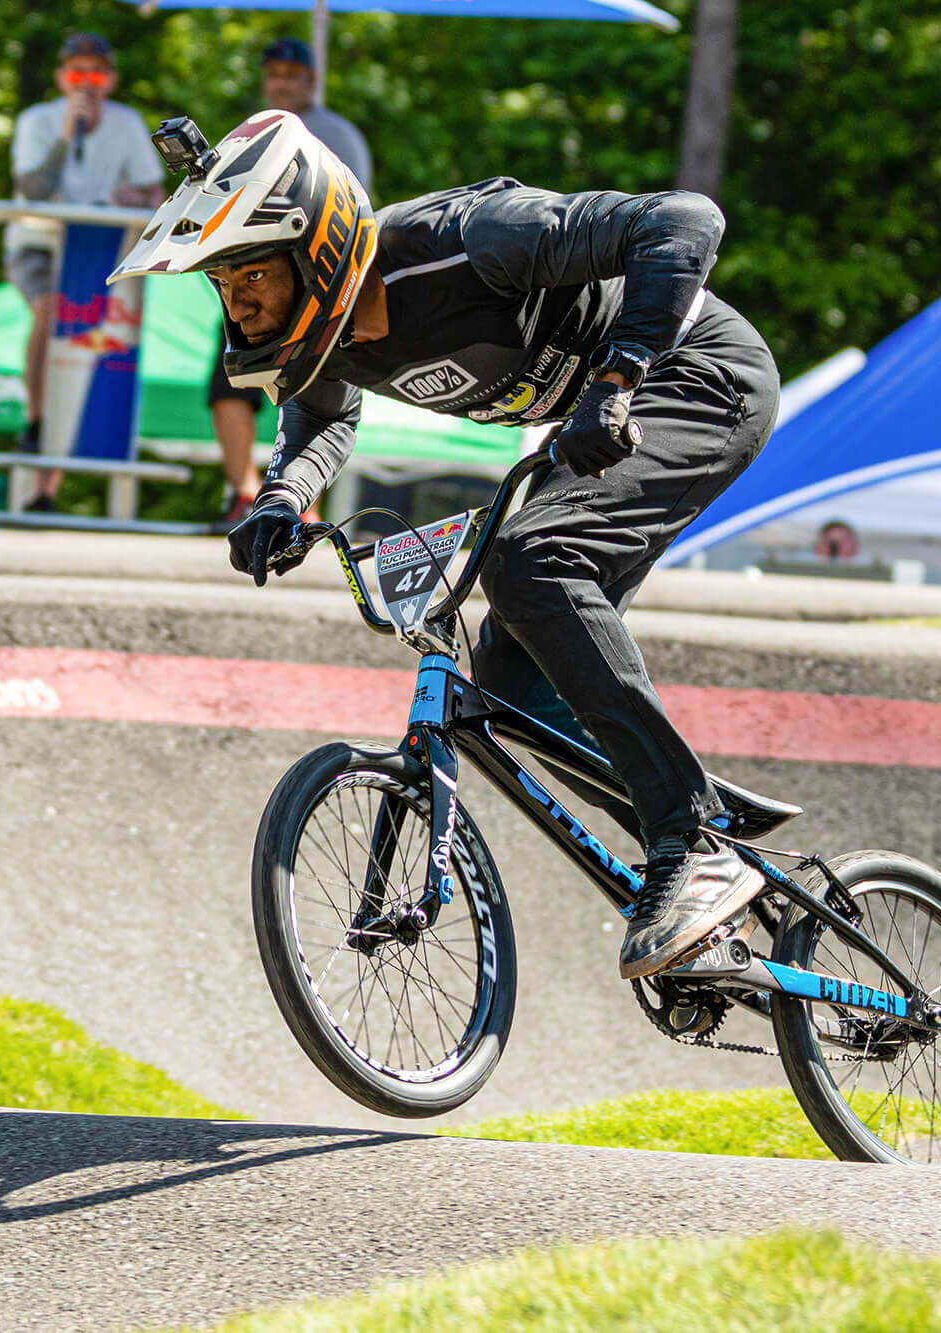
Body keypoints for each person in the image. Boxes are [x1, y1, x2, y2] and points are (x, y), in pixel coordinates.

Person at [111, 113, 780, 981]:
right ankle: (712, 873)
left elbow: (685, 221)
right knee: (509, 696)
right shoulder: (330, 341)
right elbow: (320, 418)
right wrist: (282, 496)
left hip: (698, 378)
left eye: (249, 275)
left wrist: (616, 377)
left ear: (314, 248)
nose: (236, 304)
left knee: (532, 561)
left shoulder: (466, 241)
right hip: (594, 434)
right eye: (223, 284)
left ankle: (688, 843)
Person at [206, 37, 373, 533]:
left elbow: (357, 209)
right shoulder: (247, 134)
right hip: (250, 280)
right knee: (227, 386)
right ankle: (244, 493)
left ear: (311, 80)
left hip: (317, 290)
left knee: (315, 396)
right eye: (273, 72)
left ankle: (300, 502)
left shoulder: (337, 134)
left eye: (291, 74)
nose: (280, 81)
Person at [5, 32, 167, 512]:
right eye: (77, 74)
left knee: (90, 342)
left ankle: (48, 487)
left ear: (111, 79)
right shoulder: (37, 121)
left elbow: (154, 192)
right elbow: (30, 188)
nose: (87, 84)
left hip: (102, 249)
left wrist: (131, 198)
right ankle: (36, 424)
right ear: (61, 78)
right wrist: (64, 137)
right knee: (51, 314)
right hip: (40, 245)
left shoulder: (128, 123)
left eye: (96, 74)